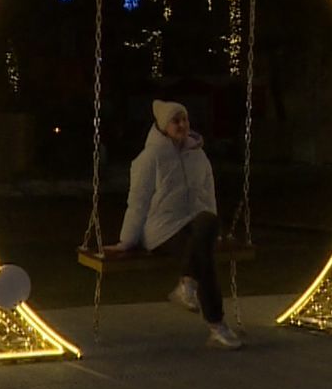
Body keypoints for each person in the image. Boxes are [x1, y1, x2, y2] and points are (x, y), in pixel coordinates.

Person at [104, 99, 242, 350]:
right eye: (175, 121)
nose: (182, 125)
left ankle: (188, 284)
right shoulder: (151, 158)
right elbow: (138, 202)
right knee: (203, 257)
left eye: (184, 120)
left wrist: (214, 234)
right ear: (163, 126)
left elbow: (208, 194)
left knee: (209, 222)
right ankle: (216, 323)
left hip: (194, 223)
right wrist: (127, 241)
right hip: (162, 228)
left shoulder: (198, 155)